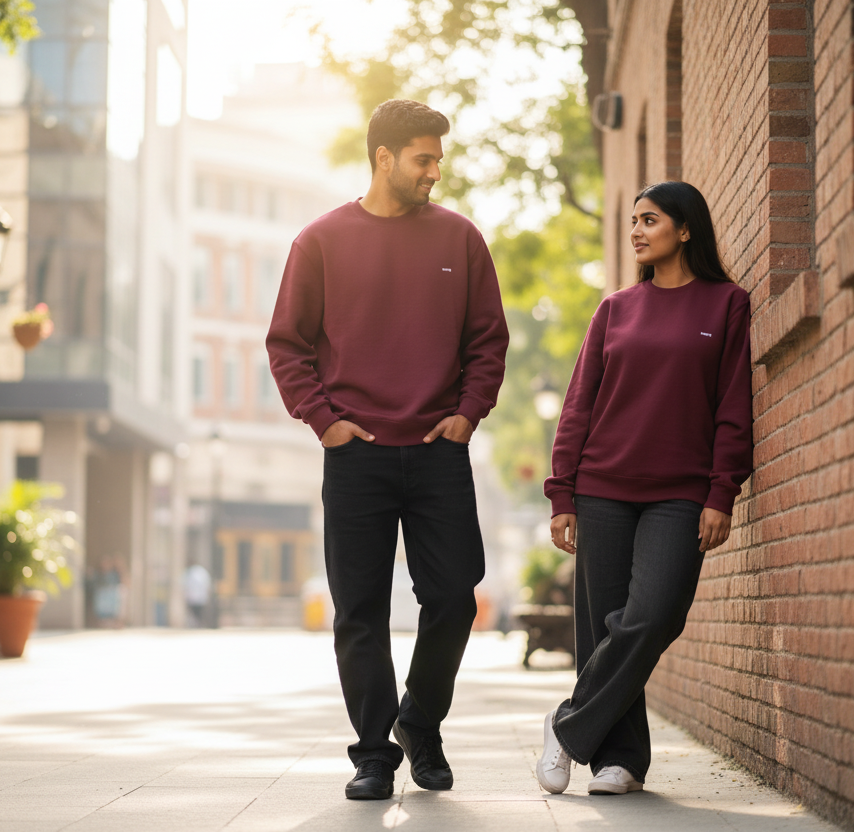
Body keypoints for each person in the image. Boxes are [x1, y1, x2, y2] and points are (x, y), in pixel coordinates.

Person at [267, 99, 509, 800]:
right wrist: (325, 422)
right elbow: (287, 344)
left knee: (455, 598)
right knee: (359, 610)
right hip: (356, 455)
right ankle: (374, 753)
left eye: (437, 159)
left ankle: (419, 724)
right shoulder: (320, 241)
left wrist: (467, 415)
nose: (435, 171)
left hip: (438, 451)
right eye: (423, 159)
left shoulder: (461, 239)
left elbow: (488, 341)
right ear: (383, 158)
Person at [535, 181, 753, 796]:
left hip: (680, 492)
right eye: (633, 220)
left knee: (654, 615)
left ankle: (567, 723)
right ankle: (620, 761)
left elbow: (733, 406)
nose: (636, 230)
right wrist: (562, 493)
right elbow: (579, 405)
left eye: (650, 220)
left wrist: (722, 491)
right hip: (602, 485)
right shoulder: (616, 309)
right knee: (605, 630)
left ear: (685, 229)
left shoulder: (726, 304)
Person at [184, 563, 210, 628]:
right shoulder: (202, 571)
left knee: (196, 613)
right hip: (199, 597)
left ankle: (197, 624)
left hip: (194, 597)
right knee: (198, 613)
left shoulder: (191, 572)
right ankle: (198, 624)